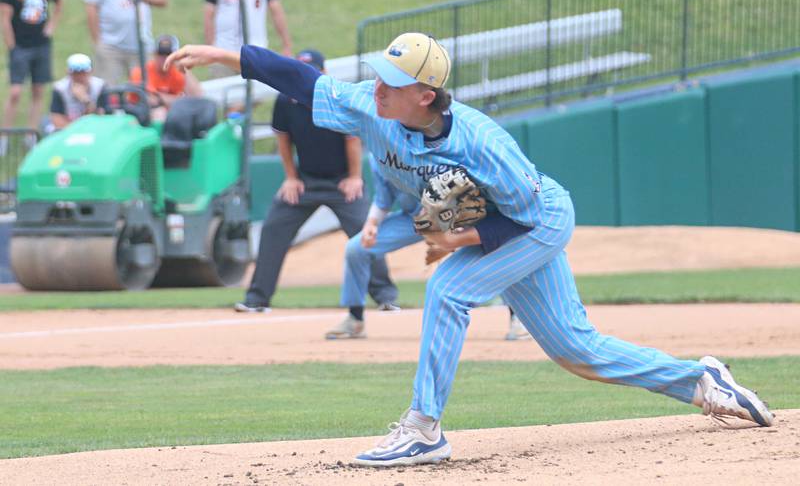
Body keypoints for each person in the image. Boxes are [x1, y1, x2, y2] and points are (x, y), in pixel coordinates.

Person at [165, 33, 775, 467]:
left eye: (393, 82)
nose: (377, 87)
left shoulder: (485, 145)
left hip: (535, 221)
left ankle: (424, 430)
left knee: (449, 288)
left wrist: (452, 238)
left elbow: (522, 218)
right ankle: (700, 381)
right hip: (477, 214)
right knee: (575, 349)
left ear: (426, 95)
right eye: (379, 74)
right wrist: (225, 56)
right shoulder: (371, 107)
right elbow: (303, 81)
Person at [233, 49, 398, 314]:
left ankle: (386, 297)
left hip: (343, 182)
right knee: (273, 228)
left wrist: (355, 177)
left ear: (324, 72)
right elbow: (283, 138)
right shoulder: (285, 100)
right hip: (306, 181)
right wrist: (290, 177)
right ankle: (256, 298)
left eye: (314, 69)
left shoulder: (333, 97)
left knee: (365, 232)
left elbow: (352, 138)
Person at [328, 155, 527, 341]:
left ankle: (518, 318)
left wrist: (451, 222)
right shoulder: (376, 157)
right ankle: (355, 320)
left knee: (496, 245)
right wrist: (371, 224)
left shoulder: (421, 145)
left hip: (452, 215)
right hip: (412, 219)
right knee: (356, 248)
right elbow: (383, 199)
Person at [83, 0, 168, 86]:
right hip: (109, 45)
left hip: (141, 44)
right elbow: (91, 5)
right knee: (106, 92)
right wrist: (97, 42)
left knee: (143, 93)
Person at [203, 0, 291, 80]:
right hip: (224, 52)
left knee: (254, 95)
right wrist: (211, 47)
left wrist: (286, 45)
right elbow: (208, 15)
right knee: (224, 96)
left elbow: (276, 11)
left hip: (255, 51)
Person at [1, 0, 61, 131]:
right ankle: (5, 135)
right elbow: (4, 18)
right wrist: (11, 45)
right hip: (20, 46)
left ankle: (31, 133)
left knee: (38, 91)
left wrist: (51, 26)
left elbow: (59, 1)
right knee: (15, 93)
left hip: (41, 46)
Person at [129, 34, 202, 121]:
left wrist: (183, 66)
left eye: (168, 54)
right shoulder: (141, 72)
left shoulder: (178, 72)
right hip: (141, 116)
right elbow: (152, 100)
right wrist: (179, 100)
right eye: (161, 54)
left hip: (172, 115)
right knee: (160, 113)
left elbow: (197, 97)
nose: (164, 58)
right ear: (155, 54)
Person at [46, 53, 107, 133]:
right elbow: (57, 120)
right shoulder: (60, 89)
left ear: (90, 72)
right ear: (69, 73)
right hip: (68, 131)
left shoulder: (100, 87)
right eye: (76, 73)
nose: (80, 77)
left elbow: (102, 119)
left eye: (83, 72)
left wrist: (86, 100)